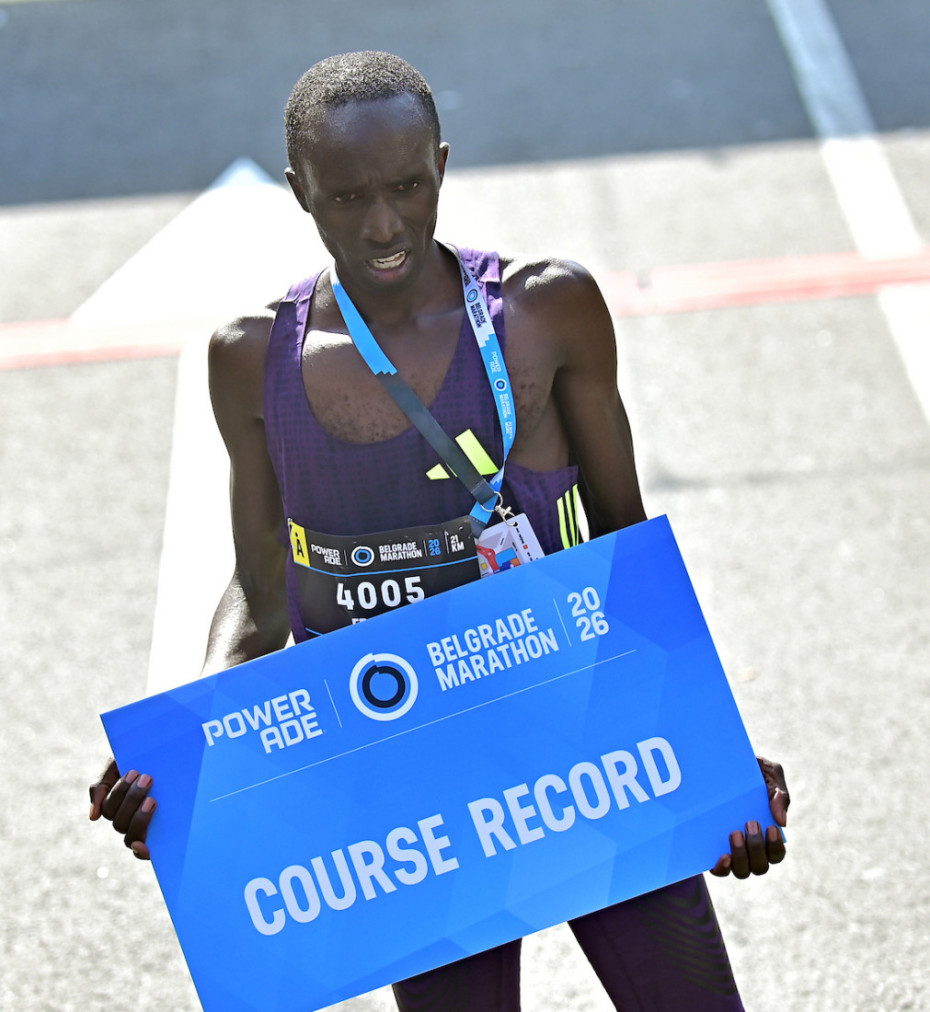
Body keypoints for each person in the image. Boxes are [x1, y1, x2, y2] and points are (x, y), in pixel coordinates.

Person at [90, 51, 789, 1010]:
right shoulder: (253, 361)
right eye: (347, 198)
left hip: (590, 743)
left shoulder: (544, 312)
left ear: (443, 167)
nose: (384, 225)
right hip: (410, 794)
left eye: (408, 187)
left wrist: (712, 748)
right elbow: (262, 587)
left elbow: (626, 546)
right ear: (300, 191)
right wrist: (187, 743)